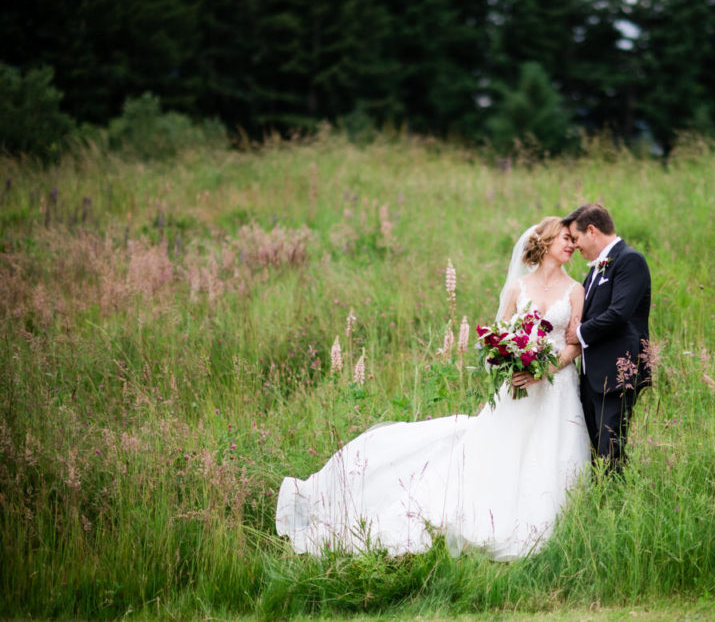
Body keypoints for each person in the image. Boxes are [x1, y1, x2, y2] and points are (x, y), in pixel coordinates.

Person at [275, 217, 590, 559]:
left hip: (555, 389)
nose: (572, 244)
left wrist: (543, 369)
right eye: (566, 237)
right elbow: (498, 340)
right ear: (544, 241)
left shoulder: (575, 290)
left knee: (546, 453)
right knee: (501, 453)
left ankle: (542, 526)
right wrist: (512, 363)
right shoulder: (518, 288)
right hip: (517, 387)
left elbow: (575, 344)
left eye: (574, 240)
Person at [562, 203, 651, 473]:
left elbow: (619, 313)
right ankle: (601, 504)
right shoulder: (596, 268)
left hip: (617, 374)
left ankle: (613, 508)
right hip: (593, 376)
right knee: (594, 451)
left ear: (592, 230)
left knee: (610, 452)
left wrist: (578, 333)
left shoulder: (629, 260)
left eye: (576, 239)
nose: (575, 246)